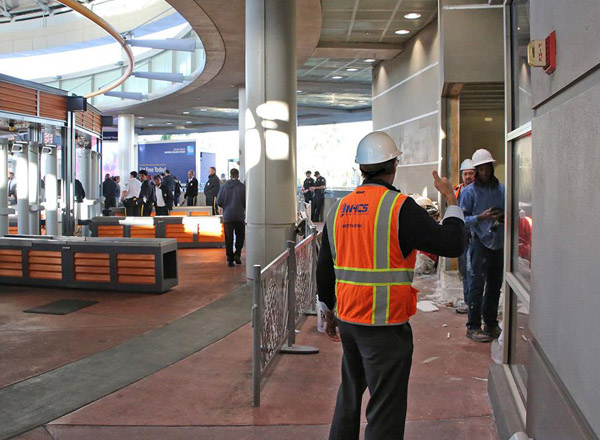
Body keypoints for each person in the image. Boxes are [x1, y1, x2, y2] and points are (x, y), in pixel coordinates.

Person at [318, 131, 465, 440]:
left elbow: (325, 266)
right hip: (384, 324)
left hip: (348, 321)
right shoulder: (400, 207)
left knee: (349, 394)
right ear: (393, 165)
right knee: (385, 408)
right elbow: (452, 243)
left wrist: (328, 310)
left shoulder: (339, 208)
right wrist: (451, 200)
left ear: (361, 168)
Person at [459, 149, 505, 343]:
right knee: (477, 285)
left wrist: (502, 217)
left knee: (495, 285)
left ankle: (491, 323)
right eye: (481, 169)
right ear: (476, 171)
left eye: (488, 168)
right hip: (479, 243)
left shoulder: (501, 189)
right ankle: (474, 326)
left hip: (499, 242)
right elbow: (461, 220)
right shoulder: (469, 192)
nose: (485, 172)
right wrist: (481, 217)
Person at [454, 158, 476, 314]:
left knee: (472, 269)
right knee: (464, 269)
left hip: (475, 236)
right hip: (462, 236)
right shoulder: (457, 191)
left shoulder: (478, 191)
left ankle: (472, 302)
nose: (468, 176)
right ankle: (468, 299)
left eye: (471, 173)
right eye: (465, 174)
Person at [216, 168, 246, 267]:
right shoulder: (242, 187)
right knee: (240, 236)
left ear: (230, 175)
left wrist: (226, 205)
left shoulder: (224, 187)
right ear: (237, 175)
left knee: (229, 238)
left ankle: (229, 259)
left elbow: (219, 202)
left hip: (228, 216)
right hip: (239, 216)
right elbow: (246, 202)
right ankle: (237, 254)